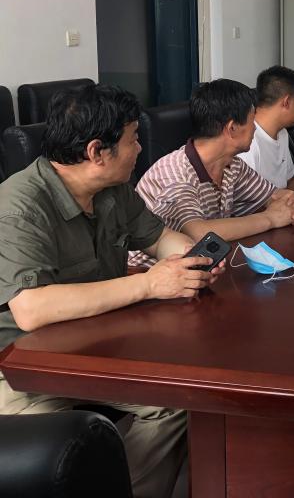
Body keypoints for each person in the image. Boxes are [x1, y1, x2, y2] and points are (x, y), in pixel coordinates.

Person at [0, 84, 226, 498]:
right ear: (96, 152)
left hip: (93, 345)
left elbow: (158, 238)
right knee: (65, 444)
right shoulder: (19, 206)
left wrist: (191, 261)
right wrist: (149, 283)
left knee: (176, 402)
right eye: (133, 139)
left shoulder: (113, 188)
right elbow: (31, 309)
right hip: (19, 367)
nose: (140, 148)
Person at [137, 79, 294, 242]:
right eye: (252, 121)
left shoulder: (232, 165)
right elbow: (198, 233)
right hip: (156, 264)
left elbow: (272, 196)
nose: (254, 129)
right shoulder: (175, 173)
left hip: (204, 259)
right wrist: (270, 219)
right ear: (232, 128)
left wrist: (293, 204)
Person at [240, 65, 294, 199]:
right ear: (287, 102)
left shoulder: (282, 133)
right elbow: (248, 202)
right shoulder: (248, 143)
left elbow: (289, 181)